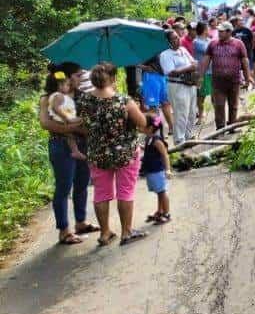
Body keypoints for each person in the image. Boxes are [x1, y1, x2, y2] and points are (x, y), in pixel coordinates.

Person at [76, 62, 150, 246]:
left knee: (101, 193)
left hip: (97, 153)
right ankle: (126, 232)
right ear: (114, 78)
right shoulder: (123, 100)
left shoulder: (84, 101)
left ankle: (105, 233)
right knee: (125, 191)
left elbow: (82, 126)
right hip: (124, 153)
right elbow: (142, 123)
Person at [38, 64, 100, 245]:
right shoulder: (49, 98)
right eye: (77, 76)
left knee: (82, 183)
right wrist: (73, 127)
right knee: (64, 187)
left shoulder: (83, 96)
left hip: (83, 143)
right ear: (66, 78)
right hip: (60, 144)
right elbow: (45, 123)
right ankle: (64, 230)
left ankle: (80, 222)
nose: (80, 79)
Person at [198, 22, 255, 129]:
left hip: (234, 81)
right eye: (218, 31)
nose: (219, 33)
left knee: (233, 106)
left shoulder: (239, 44)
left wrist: (248, 77)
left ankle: (232, 126)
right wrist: (201, 76)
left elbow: (245, 61)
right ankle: (220, 128)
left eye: (221, 31)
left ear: (229, 32)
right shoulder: (213, 44)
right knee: (219, 105)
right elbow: (206, 60)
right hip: (218, 82)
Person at [159, 29, 197, 146]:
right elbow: (170, 71)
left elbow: (193, 62)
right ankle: (179, 140)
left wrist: (193, 66)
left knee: (191, 112)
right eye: (174, 38)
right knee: (181, 113)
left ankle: (188, 136)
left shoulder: (183, 50)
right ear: (168, 42)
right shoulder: (165, 54)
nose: (177, 40)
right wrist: (189, 68)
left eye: (177, 37)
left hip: (190, 83)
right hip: (177, 85)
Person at [46, 69, 86, 161]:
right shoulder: (57, 96)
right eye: (78, 76)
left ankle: (76, 151)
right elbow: (55, 109)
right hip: (61, 123)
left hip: (81, 140)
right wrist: (67, 118)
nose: (81, 80)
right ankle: (75, 151)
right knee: (70, 135)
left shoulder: (79, 95)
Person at [140, 112, 171, 225]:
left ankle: (166, 213)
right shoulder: (148, 139)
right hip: (151, 171)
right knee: (159, 192)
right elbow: (149, 150)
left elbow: (164, 155)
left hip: (158, 171)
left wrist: (168, 169)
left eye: (142, 125)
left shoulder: (157, 140)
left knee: (162, 192)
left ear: (150, 128)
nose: (139, 127)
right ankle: (160, 211)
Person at [193, 21, 213, 130]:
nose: (209, 29)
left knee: (215, 94)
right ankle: (200, 115)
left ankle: (218, 115)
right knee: (201, 95)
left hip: (212, 71)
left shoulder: (209, 40)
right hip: (202, 72)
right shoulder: (197, 42)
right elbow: (209, 50)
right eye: (207, 28)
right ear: (204, 30)